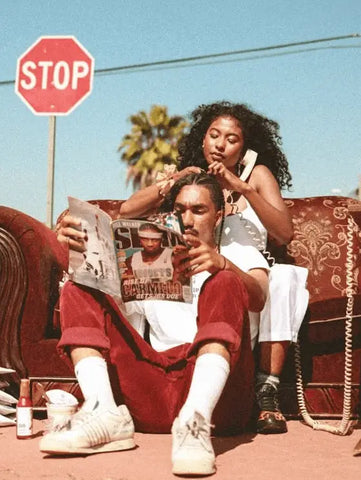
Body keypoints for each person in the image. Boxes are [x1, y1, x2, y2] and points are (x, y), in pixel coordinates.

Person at [40, 172, 270, 476]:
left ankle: (195, 421)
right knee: (78, 287)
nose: (187, 220)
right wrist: (79, 252)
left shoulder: (237, 251)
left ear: (218, 215)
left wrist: (222, 264)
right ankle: (103, 412)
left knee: (224, 282)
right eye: (180, 210)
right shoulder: (149, 254)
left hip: (220, 402)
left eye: (198, 210)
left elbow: (260, 296)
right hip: (153, 388)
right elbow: (106, 311)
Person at [119, 101, 309, 435]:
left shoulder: (256, 175)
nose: (220, 145)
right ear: (203, 139)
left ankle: (268, 389)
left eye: (232, 139)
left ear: (244, 146)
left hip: (246, 270)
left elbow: (285, 232)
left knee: (282, 277)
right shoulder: (193, 179)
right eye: (214, 135)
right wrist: (174, 181)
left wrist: (242, 187)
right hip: (197, 269)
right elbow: (127, 210)